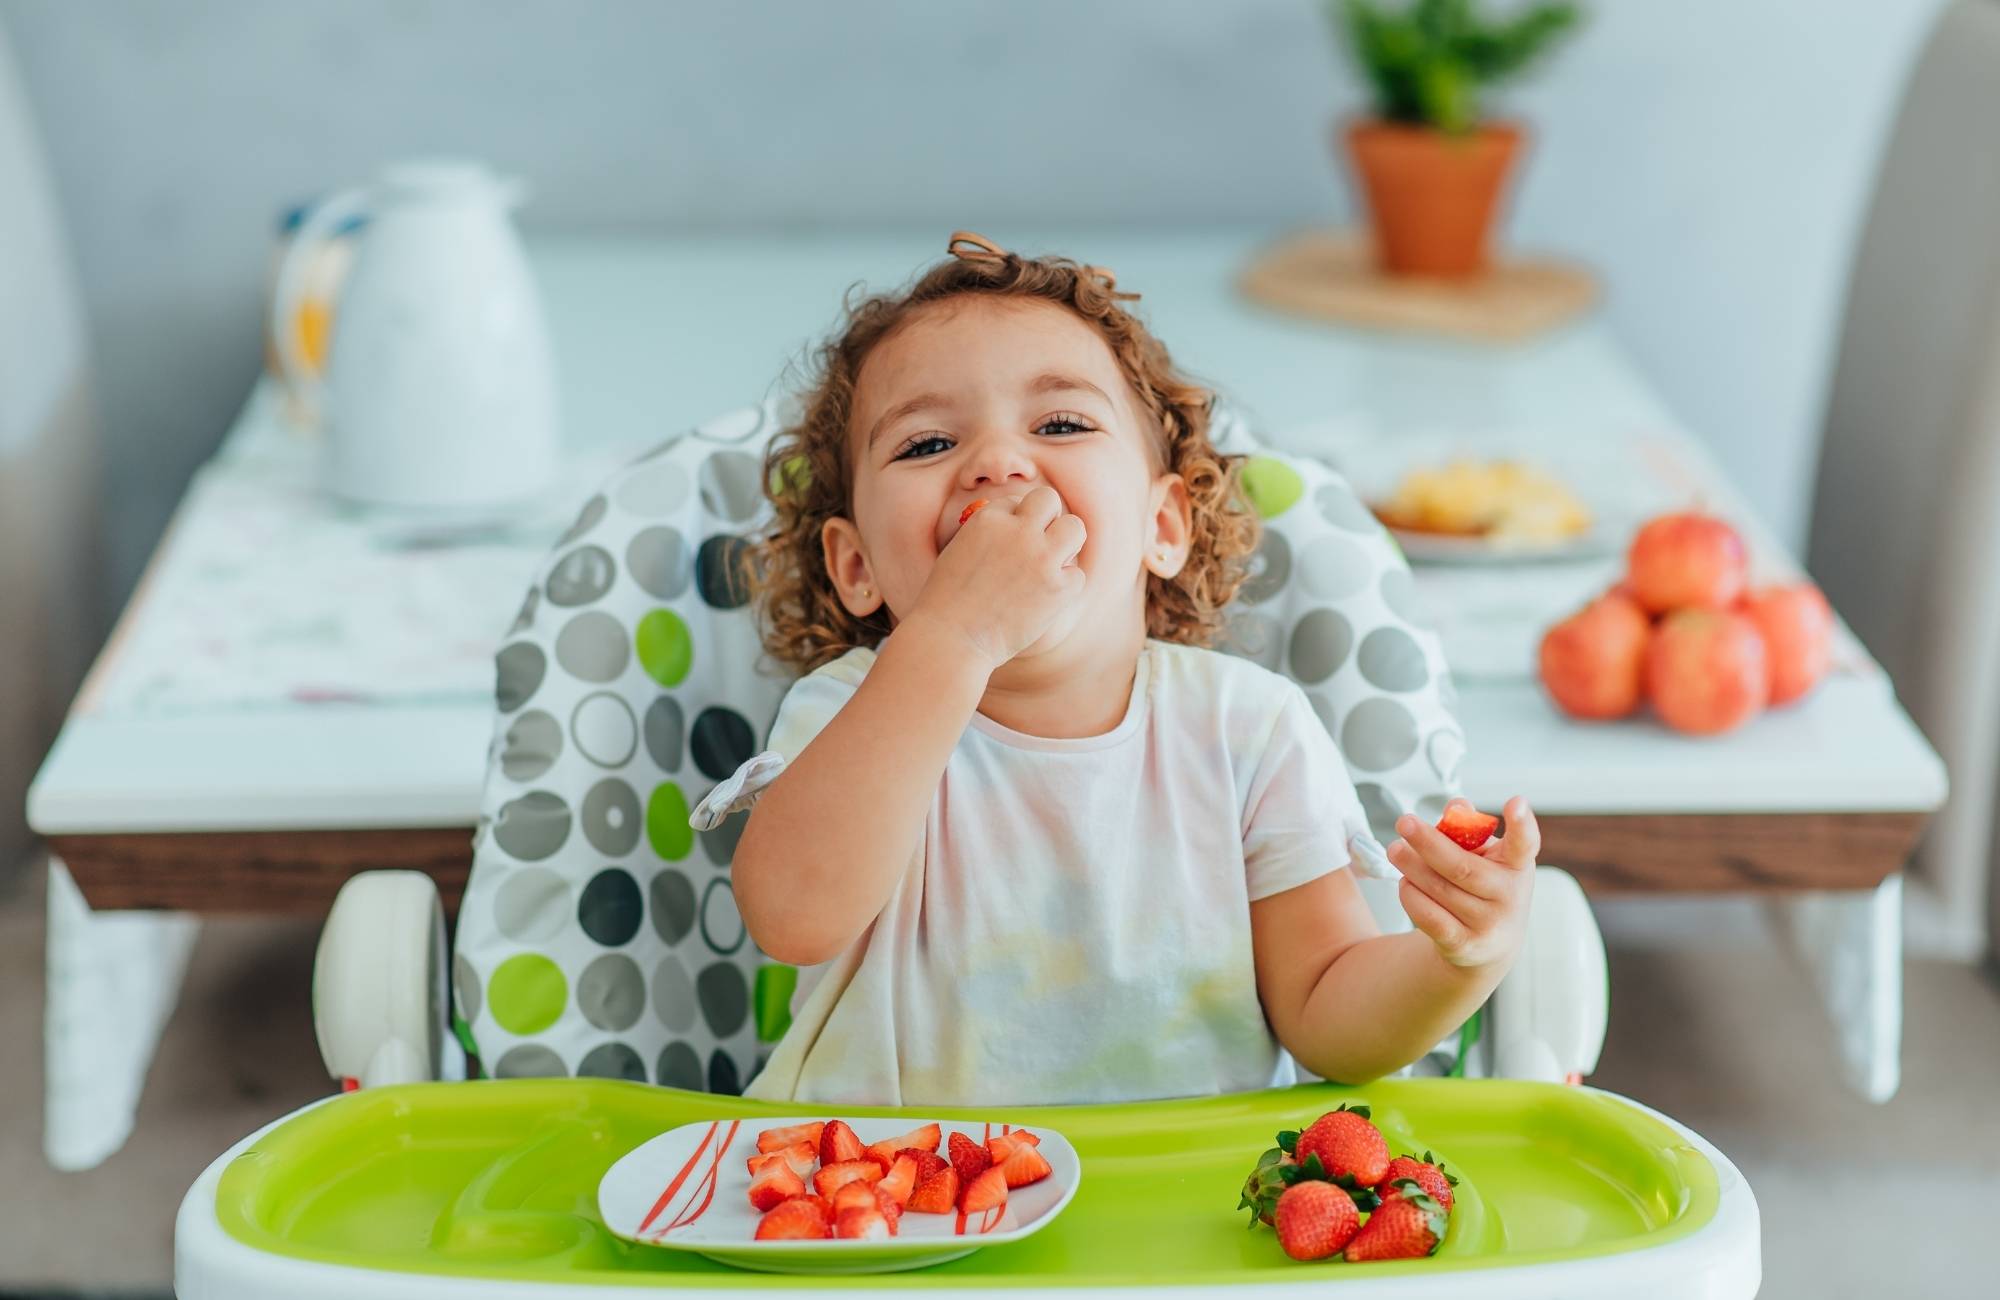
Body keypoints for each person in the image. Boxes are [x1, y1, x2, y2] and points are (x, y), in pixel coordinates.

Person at [692, 232, 1539, 1105]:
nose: (998, 464)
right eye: (925, 444)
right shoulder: (845, 712)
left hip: (1181, 1213)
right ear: (856, 565)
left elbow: (1327, 1012)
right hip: (890, 1209)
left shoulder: (1247, 729)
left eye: (1060, 424)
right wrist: (954, 636)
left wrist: (1455, 963)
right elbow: (792, 916)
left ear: (1163, 526)